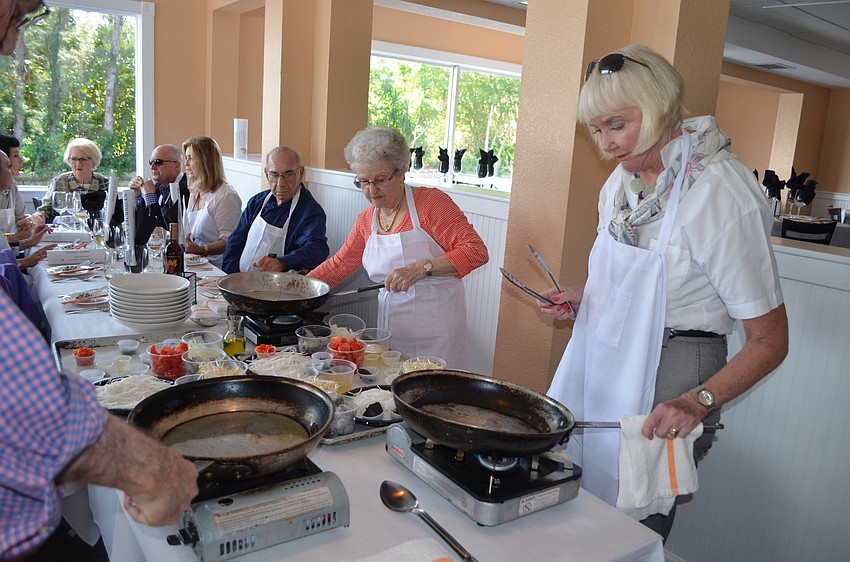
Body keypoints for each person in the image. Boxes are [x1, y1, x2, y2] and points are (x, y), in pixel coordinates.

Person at [543, 45, 788, 540]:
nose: (607, 144)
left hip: (680, 360)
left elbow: (771, 340)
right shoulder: (621, 185)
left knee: (636, 509)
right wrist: (587, 298)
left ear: (657, 109)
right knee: (576, 485)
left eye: (617, 125)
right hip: (611, 349)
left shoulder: (720, 193)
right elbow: (632, 278)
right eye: (596, 130)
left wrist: (697, 401)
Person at [309, 126, 488, 370]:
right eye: (363, 182)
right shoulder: (367, 220)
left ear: (401, 171)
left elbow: (475, 251)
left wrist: (420, 268)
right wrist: (299, 289)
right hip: (391, 332)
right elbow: (340, 264)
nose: (371, 191)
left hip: (437, 335)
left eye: (380, 180)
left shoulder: (430, 204)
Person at [222, 146, 329, 274]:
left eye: (288, 175)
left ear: (300, 173)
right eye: (274, 175)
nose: (280, 183)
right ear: (266, 173)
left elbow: (317, 248)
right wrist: (231, 278)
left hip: (278, 289)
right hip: (239, 282)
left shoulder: (310, 211)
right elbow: (235, 243)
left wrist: (283, 262)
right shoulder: (257, 202)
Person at [181, 136, 242, 269]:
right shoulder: (195, 192)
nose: (185, 164)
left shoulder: (226, 196)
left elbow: (230, 241)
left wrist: (202, 249)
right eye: (186, 157)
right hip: (197, 264)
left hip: (218, 269)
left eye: (190, 158)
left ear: (205, 161)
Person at [39, 137, 123, 227]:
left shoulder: (104, 183)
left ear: (94, 161)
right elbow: (46, 211)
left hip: (97, 233)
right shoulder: (59, 182)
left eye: (83, 159)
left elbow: (115, 216)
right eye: (74, 159)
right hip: (67, 234)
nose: (78, 164)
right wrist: (38, 217)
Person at [129, 144, 190, 246]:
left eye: (158, 162)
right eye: (151, 162)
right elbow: (142, 229)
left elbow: (168, 226)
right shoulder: (158, 187)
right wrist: (137, 195)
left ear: (177, 165)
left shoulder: (186, 188)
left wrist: (149, 197)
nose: (152, 167)